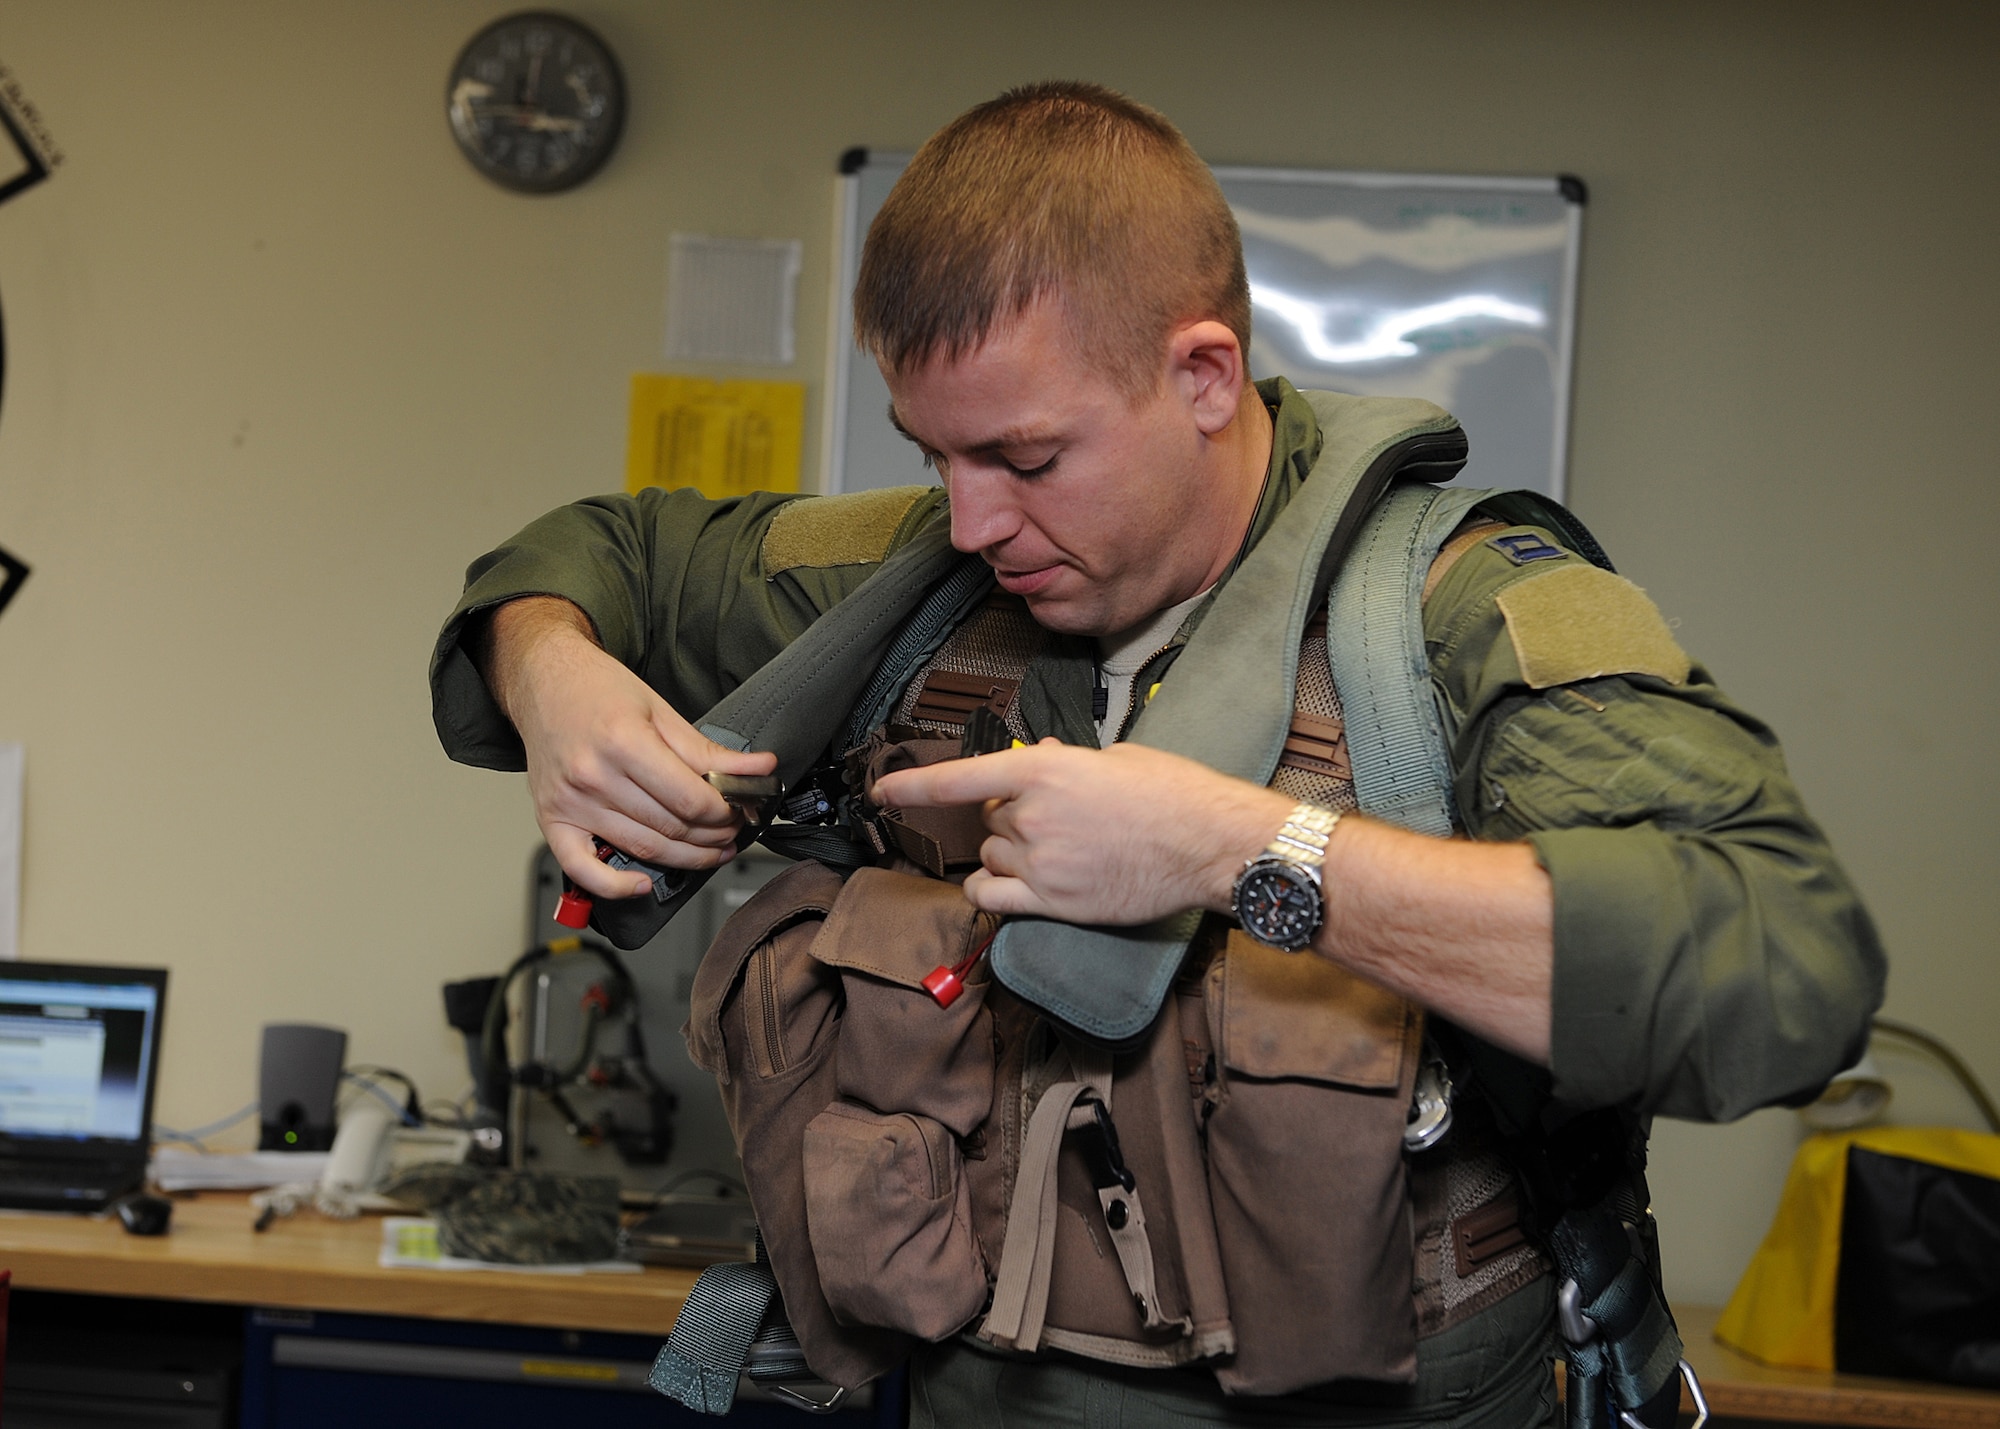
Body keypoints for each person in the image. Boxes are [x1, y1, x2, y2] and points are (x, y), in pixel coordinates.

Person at [431, 82, 1884, 1428]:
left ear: (1202, 374)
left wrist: (1239, 852)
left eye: (1026, 457)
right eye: (933, 454)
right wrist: (551, 670)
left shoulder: (1457, 617)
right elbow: (592, 554)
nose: (971, 516)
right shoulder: (924, 576)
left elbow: (1780, 966)